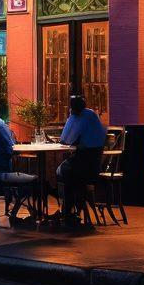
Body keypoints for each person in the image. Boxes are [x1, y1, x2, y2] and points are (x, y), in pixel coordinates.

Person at [0, 101, 37, 220]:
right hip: (3, 172)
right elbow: (10, 145)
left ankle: (13, 202)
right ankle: (18, 210)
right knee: (35, 180)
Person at [57, 94, 106, 224]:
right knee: (67, 171)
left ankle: (68, 210)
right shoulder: (91, 114)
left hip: (85, 166)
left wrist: (70, 117)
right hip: (93, 167)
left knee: (63, 171)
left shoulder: (81, 117)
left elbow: (66, 139)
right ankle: (72, 209)